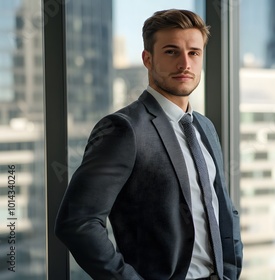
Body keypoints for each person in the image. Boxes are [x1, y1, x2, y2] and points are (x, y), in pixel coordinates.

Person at [55, 9, 243, 280]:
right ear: (148, 58)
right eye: (171, 52)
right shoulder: (123, 129)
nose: (184, 63)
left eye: (193, 53)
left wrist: (231, 270)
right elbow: (78, 223)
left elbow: (223, 207)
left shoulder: (205, 127)